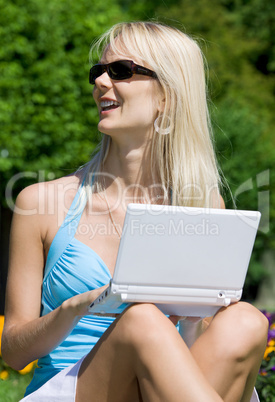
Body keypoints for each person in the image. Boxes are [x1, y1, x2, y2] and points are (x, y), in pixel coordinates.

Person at [1, 21, 268, 402]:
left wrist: (199, 320)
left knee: (246, 321)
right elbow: (12, 353)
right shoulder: (41, 202)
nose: (101, 83)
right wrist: (77, 307)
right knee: (141, 319)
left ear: (167, 96)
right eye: (99, 71)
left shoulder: (204, 207)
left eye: (121, 71)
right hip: (68, 390)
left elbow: (204, 349)